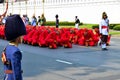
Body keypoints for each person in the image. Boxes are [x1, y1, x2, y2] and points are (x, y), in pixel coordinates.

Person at [3, 14, 26, 80]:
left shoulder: (7, 48)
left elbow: (7, 69)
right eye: (22, 35)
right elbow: (17, 73)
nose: (23, 37)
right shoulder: (16, 52)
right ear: (18, 37)